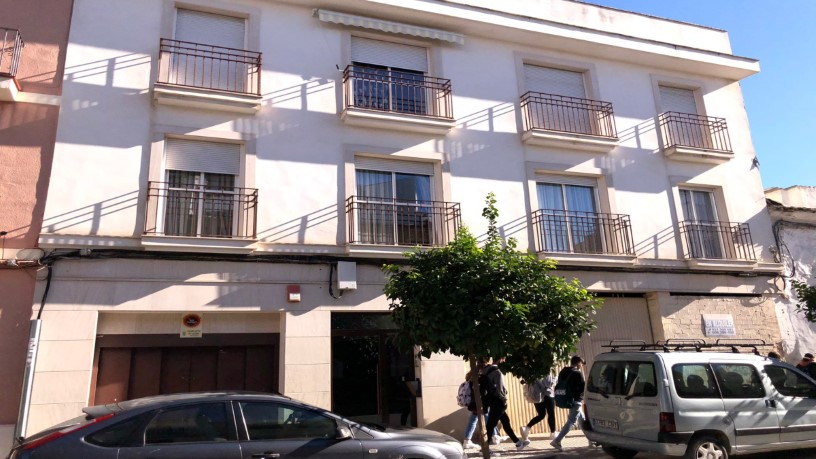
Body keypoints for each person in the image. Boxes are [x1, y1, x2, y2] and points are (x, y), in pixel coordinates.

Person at [481, 357, 529, 450]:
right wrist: (504, 399)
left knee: (505, 422)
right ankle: (485, 447)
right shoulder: (497, 372)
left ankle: (518, 443)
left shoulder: (486, 370)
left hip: (491, 400)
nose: (504, 362)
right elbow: (501, 389)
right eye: (504, 360)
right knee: (491, 424)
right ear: (500, 360)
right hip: (498, 401)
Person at [461, 363, 502, 449]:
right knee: (488, 419)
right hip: (481, 403)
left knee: (475, 420)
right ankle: (494, 437)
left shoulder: (470, 378)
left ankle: (467, 440)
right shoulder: (482, 378)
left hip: (474, 403)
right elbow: (487, 391)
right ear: (482, 370)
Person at [550, 355, 586, 452]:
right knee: (572, 421)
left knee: (582, 418)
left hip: (566, 398)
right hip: (575, 400)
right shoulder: (577, 373)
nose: (581, 366)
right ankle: (557, 441)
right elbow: (583, 387)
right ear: (578, 363)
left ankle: (591, 439)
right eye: (581, 364)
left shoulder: (563, 371)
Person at [520, 374, 556, 441]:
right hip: (547, 394)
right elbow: (548, 384)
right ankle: (553, 433)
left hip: (537, 396)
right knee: (551, 413)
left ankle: (527, 428)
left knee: (541, 415)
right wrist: (555, 379)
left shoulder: (533, 370)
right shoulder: (545, 370)